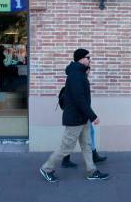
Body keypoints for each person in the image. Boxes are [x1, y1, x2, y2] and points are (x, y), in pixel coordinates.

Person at [40, 48, 109, 182]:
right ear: (81, 59)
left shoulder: (80, 73)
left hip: (82, 118)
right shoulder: (76, 75)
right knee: (65, 148)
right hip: (75, 118)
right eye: (88, 58)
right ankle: (46, 168)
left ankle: (92, 171)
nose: (90, 60)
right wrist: (93, 116)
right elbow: (79, 99)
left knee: (87, 145)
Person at [61, 67, 107, 168]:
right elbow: (79, 100)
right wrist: (93, 116)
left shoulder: (76, 77)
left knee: (87, 136)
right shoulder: (78, 78)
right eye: (88, 70)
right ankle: (50, 166)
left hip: (80, 114)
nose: (88, 73)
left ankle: (91, 163)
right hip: (78, 114)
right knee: (71, 140)